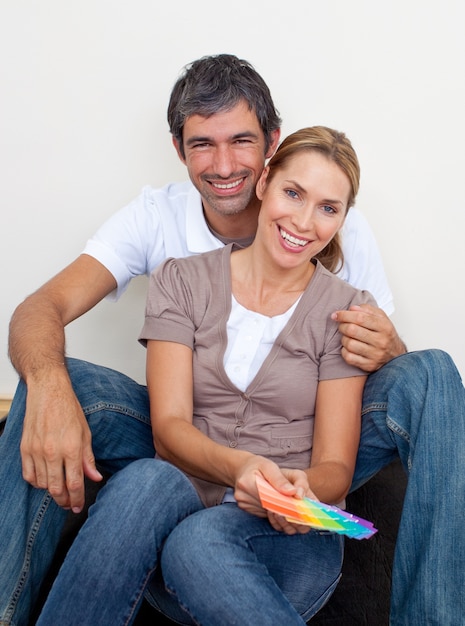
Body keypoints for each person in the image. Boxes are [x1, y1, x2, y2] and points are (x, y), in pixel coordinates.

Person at [0, 54, 463, 625]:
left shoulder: (339, 266)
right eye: (202, 144)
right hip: (184, 443)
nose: (223, 165)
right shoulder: (171, 250)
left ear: (270, 145)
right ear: (179, 149)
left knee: (432, 370)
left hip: (304, 454)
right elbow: (42, 312)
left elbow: (365, 407)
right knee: (58, 389)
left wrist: (384, 356)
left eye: (240, 140)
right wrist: (46, 383)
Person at [36, 125, 374, 626]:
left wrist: (306, 488)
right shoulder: (181, 280)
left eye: (328, 208)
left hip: (283, 544)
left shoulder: (346, 310)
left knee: (200, 539)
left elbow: (335, 466)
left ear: (343, 218)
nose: (304, 222)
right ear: (263, 185)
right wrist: (240, 468)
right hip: (169, 531)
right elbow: (169, 430)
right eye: (293, 193)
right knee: (151, 475)